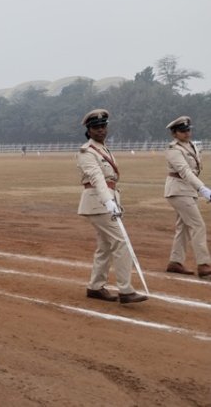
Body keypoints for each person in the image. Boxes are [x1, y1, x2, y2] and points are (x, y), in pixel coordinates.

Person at [76, 109, 148, 303]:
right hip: (98, 202)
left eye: (103, 126)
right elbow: (97, 178)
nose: (101, 130)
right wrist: (108, 200)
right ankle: (126, 290)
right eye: (96, 127)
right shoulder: (86, 152)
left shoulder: (104, 149)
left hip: (107, 201)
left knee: (105, 246)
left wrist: (112, 200)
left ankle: (95, 287)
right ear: (88, 130)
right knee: (121, 242)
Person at [163, 116, 211, 280]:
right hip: (178, 190)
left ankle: (175, 262)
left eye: (188, 130)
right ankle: (204, 264)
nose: (187, 133)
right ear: (174, 133)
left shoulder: (191, 145)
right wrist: (202, 188)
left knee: (183, 227)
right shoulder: (173, 149)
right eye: (183, 131)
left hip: (187, 190)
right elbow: (185, 171)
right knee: (198, 225)